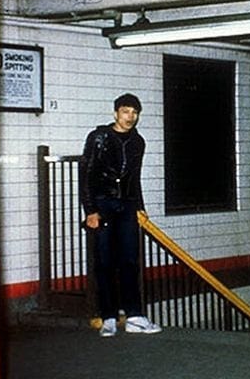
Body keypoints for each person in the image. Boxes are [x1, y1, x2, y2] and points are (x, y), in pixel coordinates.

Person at [79, 93, 162, 337]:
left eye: (134, 113)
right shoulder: (99, 137)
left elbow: (134, 176)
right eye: (126, 111)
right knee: (104, 262)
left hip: (126, 205)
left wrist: (140, 206)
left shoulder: (138, 142)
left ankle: (135, 315)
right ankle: (108, 318)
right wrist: (90, 210)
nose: (130, 117)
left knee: (130, 260)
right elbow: (86, 174)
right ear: (116, 113)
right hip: (103, 204)